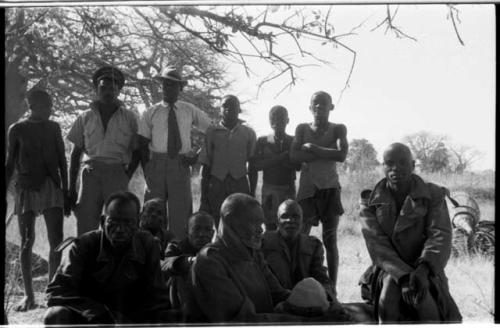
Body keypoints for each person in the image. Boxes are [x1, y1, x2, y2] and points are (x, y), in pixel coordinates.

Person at [358, 143, 462, 323]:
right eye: (389, 163)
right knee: (390, 286)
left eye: (403, 162)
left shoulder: (433, 194)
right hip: (387, 269)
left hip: (427, 268)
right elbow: (377, 246)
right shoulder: (369, 200)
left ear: (413, 165)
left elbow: (440, 235)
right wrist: (404, 276)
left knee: (425, 299)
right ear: (383, 166)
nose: (396, 168)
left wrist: (422, 270)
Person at [44, 191, 173, 324]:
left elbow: (158, 297)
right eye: (113, 222)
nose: (120, 229)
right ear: (102, 221)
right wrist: (97, 312)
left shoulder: (147, 244)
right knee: (55, 315)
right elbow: (57, 291)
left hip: (131, 317)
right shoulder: (82, 245)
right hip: (91, 318)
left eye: (128, 222)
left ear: (138, 222)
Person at [187, 193, 300, 323]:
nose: (261, 230)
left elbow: (279, 294)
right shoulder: (209, 261)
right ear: (231, 221)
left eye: (261, 224)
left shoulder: (254, 255)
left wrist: (311, 304)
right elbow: (243, 320)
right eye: (254, 222)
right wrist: (304, 322)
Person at [5, 89, 68, 311]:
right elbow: (10, 163)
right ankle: (29, 296)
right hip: (27, 187)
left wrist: (66, 191)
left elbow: (62, 160)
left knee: (56, 241)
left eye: (51, 106)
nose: (49, 110)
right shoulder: (18, 129)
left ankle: (52, 292)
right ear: (32, 107)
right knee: (26, 242)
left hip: (52, 185)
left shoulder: (54, 128)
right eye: (45, 106)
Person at [138, 66, 212, 239]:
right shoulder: (151, 112)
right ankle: (153, 252)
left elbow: (212, 131)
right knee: (153, 213)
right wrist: (147, 170)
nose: (168, 88)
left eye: (172, 85)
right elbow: (141, 144)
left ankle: (178, 254)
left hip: (180, 164)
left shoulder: (189, 110)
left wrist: (196, 155)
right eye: (165, 84)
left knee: (181, 214)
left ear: (180, 88)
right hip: (155, 165)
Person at [67, 66, 140, 235]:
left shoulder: (130, 118)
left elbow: (137, 152)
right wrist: (71, 189)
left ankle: (113, 261)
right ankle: (86, 260)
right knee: (86, 224)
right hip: (90, 174)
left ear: (119, 91)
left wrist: (126, 175)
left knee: (118, 224)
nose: (108, 92)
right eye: (103, 88)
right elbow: (75, 154)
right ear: (96, 89)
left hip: (117, 173)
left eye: (112, 89)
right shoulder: (85, 117)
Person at [290, 91, 348, 296]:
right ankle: (297, 287)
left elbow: (341, 155)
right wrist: (326, 152)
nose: (319, 107)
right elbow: (294, 155)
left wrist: (313, 148)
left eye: (324, 104)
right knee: (299, 239)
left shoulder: (338, 129)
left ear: (331, 107)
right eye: (315, 103)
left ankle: (332, 290)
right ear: (310, 107)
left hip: (330, 189)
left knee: (330, 241)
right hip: (307, 190)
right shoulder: (302, 128)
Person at [261, 200, 336, 301]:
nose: (290, 220)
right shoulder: (263, 242)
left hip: (306, 302)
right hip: (275, 302)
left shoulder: (313, 245)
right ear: (277, 221)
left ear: (302, 221)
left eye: (295, 216)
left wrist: (327, 295)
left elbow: (321, 276)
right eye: (284, 216)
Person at [199, 95, 257, 226]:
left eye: (233, 106)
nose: (228, 109)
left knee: (241, 222)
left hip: (240, 182)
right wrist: (204, 196)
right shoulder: (211, 132)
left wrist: (252, 193)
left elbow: (252, 165)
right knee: (218, 222)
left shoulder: (248, 133)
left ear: (239, 109)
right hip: (217, 183)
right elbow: (206, 165)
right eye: (225, 105)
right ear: (220, 109)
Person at [250, 106, 299, 230]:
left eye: (281, 119)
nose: (277, 122)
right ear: (270, 122)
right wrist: (281, 158)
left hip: (288, 188)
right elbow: (256, 166)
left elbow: (298, 166)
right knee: (269, 225)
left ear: (288, 120)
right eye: (274, 119)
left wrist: (271, 161)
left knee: (288, 225)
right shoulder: (262, 141)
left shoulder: (294, 141)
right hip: (269, 188)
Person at [163, 212, 215, 310]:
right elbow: (165, 264)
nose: (202, 234)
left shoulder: (216, 252)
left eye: (207, 230)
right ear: (187, 230)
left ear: (212, 233)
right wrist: (188, 261)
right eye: (196, 229)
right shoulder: (175, 247)